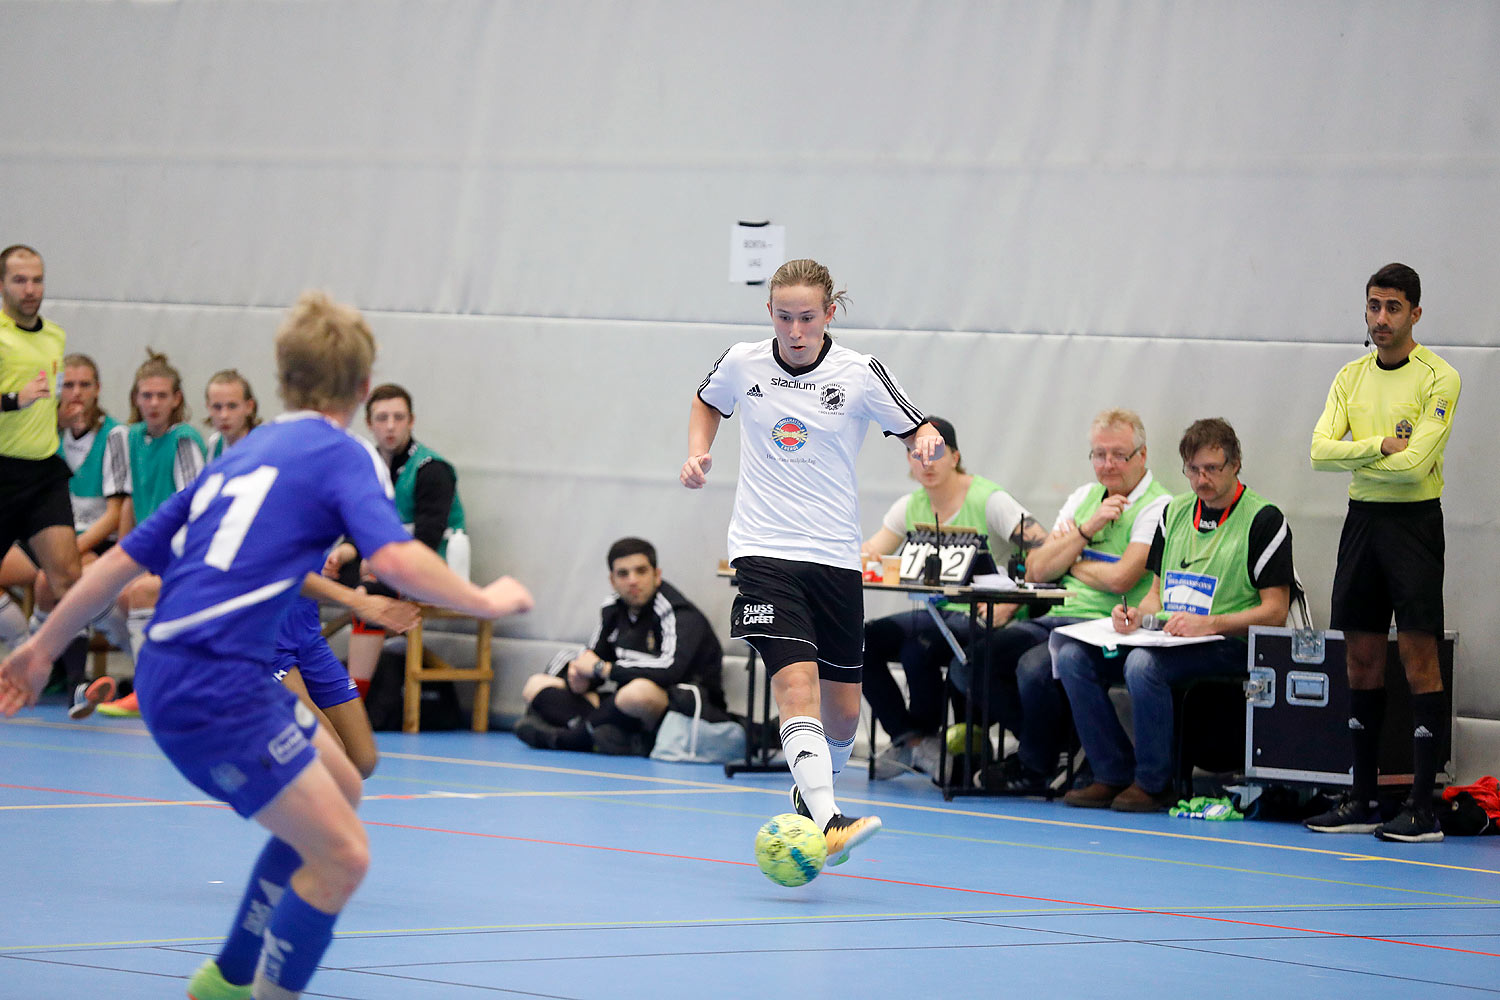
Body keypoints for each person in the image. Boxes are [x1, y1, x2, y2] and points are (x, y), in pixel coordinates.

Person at [0, 289, 534, 1000]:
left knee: (344, 786)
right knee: (343, 859)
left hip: (197, 671)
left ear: (279, 384)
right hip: (211, 687)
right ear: (363, 387)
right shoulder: (342, 456)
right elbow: (400, 560)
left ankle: (227, 978)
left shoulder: (240, 457)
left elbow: (124, 563)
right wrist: (483, 599)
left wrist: (41, 648)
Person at [682, 257, 943, 865]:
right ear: (768, 313)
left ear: (829, 313)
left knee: (843, 714)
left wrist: (923, 438)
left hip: (833, 557)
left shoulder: (858, 373)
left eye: (807, 317)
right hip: (764, 551)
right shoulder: (742, 362)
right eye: (783, 316)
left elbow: (914, 424)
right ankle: (828, 817)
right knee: (793, 683)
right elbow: (705, 402)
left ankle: (810, 800)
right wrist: (698, 454)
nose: (795, 329)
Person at [1053, 418, 1293, 812]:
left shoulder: (1264, 520)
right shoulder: (1174, 512)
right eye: (1193, 470)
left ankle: (1154, 783)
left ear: (1235, 465)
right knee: (1071, 657)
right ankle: (1111, 773)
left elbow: (1275, 612)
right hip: (1169, 636)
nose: (1202, 479)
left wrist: (1211, 623)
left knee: (1143, 666)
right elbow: (1154, 596)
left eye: (1212, 468)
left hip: (1228, 643)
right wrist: (1134, 616)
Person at [1304, 262, 1460, 843]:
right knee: (1361, 659)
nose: (1381, 319)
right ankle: (1363, 797)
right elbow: (1320, 452)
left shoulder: (1439, 377)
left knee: (1419, 658)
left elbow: (1417, 463)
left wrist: (1357, 454)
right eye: (1373, 306)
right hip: (1362, 522)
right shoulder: (1348, 377)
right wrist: (1375, 446)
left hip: (1414, 524)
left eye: (1393, 308)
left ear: (1415, 313)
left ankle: (1422, 808)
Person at [205, 369, 418, 778]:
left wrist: (353, 551)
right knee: (330, 765)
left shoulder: (337, 466)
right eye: (218, 406)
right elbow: (280, 568)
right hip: (265, 638)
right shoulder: (257, 476)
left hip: (306, 633)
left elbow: (353, 529)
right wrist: (359, 600)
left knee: (363, 762)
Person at [953, 409, 1171, 795]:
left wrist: (1071, 554)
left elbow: (1124, 577)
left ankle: (1035, 765)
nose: (1107, 464)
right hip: (1058, 616)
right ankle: (1058, 749)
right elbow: (1037, 569)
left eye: (1119, 454)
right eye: (1098, 454)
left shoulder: (1159, 506)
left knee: (1033, 668)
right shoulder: (1084, 498)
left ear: (1142, 455)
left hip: (1109, 626)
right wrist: (1088, 529)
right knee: (969, 665)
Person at [860, 415, 1047, 777]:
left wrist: (1011, 604)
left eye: (935, 452)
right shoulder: (910, 506)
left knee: (920, 647)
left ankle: (932, 743)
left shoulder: (990, 500)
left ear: (955, 457)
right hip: (937, 611)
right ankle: (912, 740)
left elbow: (1046, 554)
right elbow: (870, 555)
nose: (926, 462)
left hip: (983, 614)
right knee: (862, 641)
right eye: (916, 454)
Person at [515, 536, 726, 755]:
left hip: (681, 707)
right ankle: (613, 736)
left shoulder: (677, 612)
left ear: (657, 575)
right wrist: (582, 678)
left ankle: (574, 737)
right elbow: (595, 658)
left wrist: (603, 670)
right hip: (621, 706)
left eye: (641, 571)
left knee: (636, 693)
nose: (632, 581)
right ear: (612, 580)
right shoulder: (613, 609)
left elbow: (671, 670)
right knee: (536, 685)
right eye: (623, 574)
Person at [322, 383, 467, 697]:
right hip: (384, 562)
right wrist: (342, 555)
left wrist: (381, 562)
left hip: (431, 564)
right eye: (382, 417)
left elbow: (426, 539)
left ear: (411, 421)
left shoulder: (432, 470)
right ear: (369, 423)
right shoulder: (366, 467)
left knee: (372, 592)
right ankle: (293, 692)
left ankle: (353, 700)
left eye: (398, 417)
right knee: (312, 578)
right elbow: (356, 530)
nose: (390, 426)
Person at [92, 350, 208, 717]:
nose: (153, 403)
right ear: (135, 399)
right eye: (146, 395)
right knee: (98, 591)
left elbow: (198, 509)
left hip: (186, 555)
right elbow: (128, 503)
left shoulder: (184, 439)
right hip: (151, 551)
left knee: (141, 592)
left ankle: (148, 690)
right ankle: (166, 677)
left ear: (176, 400)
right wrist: (121, 559)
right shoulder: (130, 438)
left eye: (162, 395)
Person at [0, 246, 85, 659]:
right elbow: (19, 401)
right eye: (19, 280)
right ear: (3, 285)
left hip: (43, 474)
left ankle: (75, 685)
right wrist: (14, 400)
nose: (30, 289)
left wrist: (60, 417)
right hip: (1, 472)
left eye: (37, 279)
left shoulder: (55, 337)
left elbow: (41, 403)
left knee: (68, 576)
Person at [31, 354, 127, 716]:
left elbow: (116, 516)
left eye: (84, 385)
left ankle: (76, 684)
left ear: (98, 389)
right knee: (44, 582)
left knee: (65, 578)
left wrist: (70, 550)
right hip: (57, 539)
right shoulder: (47, 434)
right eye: (68, 385)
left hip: (98, 539)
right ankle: (44, 671)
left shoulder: (113, 435)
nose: (76, 393)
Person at [205, 369, 261, 458]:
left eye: (232, 406)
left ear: (249, 407)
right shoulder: (214, 444)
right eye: (217, 407)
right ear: (208, 407)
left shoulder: (264, 444)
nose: (224, 415)